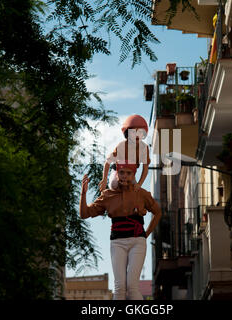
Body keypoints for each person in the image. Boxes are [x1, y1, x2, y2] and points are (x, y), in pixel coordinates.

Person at [80, 161, 162, 300]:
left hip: (137, 242)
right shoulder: (107, 195)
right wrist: (83, 193)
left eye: (128, 173)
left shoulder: (141, 193)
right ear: (116, 174)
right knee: (119, 287)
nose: (124, 176)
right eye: (121, 172)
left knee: (132, 286)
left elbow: (158, 212)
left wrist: (145, 235)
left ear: (133, 174)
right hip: (117, 242)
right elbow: (84, 214)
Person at [98, 114, 151, 193]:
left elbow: (145, 168)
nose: (136, 135)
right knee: (114, 184)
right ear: (127, 133)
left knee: (134, 190)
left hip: (130, 174)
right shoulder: (121, 146)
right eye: (133, 132)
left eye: (140, 132)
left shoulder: (144, 148)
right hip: (118, 171)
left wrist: (139, 184)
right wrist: (104, 179)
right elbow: (107, 162)